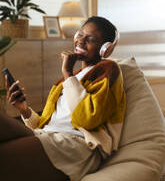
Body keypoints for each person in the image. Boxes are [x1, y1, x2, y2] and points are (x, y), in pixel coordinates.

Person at [0, 16, 126, 181]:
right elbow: (45, 123)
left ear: (105, 49)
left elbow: (86, 119)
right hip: (47, 135)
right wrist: (23, 109)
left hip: (78, 146)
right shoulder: (65, 82)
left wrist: (67, 73)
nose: (81, 41)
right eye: (80, 35)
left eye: (91, 39)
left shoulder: (107, 69)